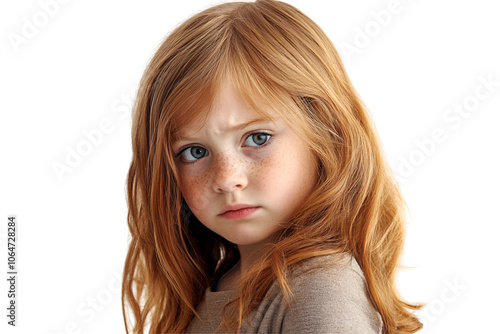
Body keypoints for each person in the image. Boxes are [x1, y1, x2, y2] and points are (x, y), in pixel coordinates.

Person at [122, 0, 423, 333]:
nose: (226, 179)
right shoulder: (216, 287)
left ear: (326, 131)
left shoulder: (319, 289)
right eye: (194, 151)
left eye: (258, 138)